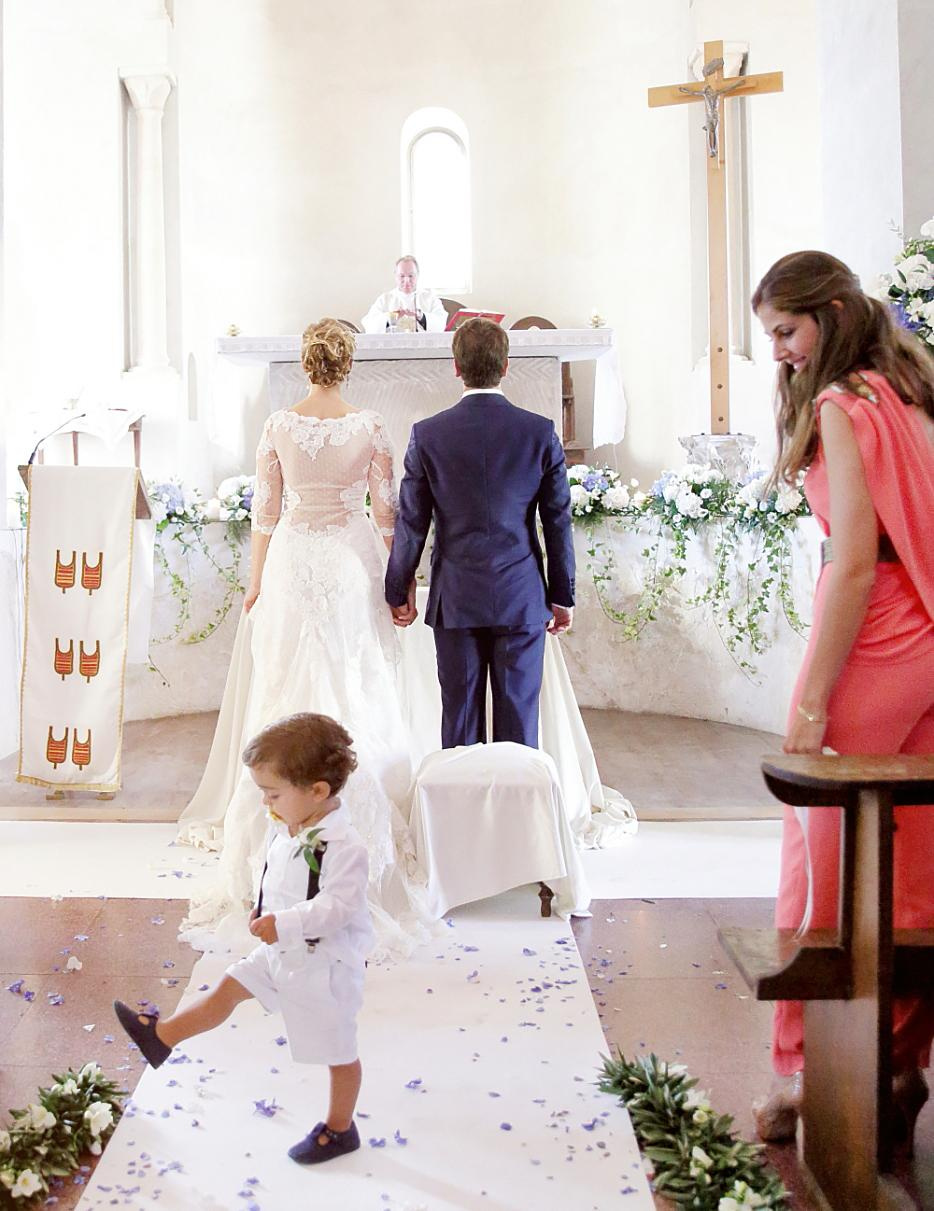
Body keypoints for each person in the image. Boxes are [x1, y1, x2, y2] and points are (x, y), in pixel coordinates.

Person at [750, 250, 934, 1148]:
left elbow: (853, 560)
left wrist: (813, 704)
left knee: (817, 847)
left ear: (826, 313)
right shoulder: (909, 385)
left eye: (786, 332)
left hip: (878, 637)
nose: (780, 353)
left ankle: (808, 1074)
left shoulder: (841, 405)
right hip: (931, 633)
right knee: (912, 862)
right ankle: (898, 1064)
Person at [177, 318, 428, 960]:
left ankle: (281, 824)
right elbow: (386, 514)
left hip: (291, 563)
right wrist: (401, 579)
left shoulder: (278, 427)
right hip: (349, 560)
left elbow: (266, 513)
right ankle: (346, 824)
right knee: (354, 679)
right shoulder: (369, 426)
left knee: (285, 687)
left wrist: (257, 584)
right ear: (347, 366)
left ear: (305, 364)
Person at [117, 714, 370, 1165]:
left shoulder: (343, 846)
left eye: (273, 794)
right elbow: (280, 874)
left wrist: (285, 921)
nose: (265, 803)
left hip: (322, 964)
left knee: (339, 1051)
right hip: (279, 951)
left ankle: (340, 1127)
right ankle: (161, 1038)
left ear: (318, 791)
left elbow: (338, 908)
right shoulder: (290, 826)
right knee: (230, 987)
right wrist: (264, 907)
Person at [385, 317, 575, 748]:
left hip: (456, 598)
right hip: (521, 596)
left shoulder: (428, 435)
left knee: (461, 725)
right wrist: (561, 594)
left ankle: (460, 815)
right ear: (506, 366)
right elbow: (557, 520)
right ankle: (518, 814)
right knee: (519, 730)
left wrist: (399, 589)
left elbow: (412, 521)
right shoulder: (539, 432)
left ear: (456, 367)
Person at [361, 255, 448, 334]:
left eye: (411, 276)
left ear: (417, 275)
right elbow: (370, 324)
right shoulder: (385, 299)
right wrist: (390, 318)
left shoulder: (429, 298)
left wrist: (422, 317)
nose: (406, 280)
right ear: (395, 276)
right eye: (402, 276)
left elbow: (441, 322)